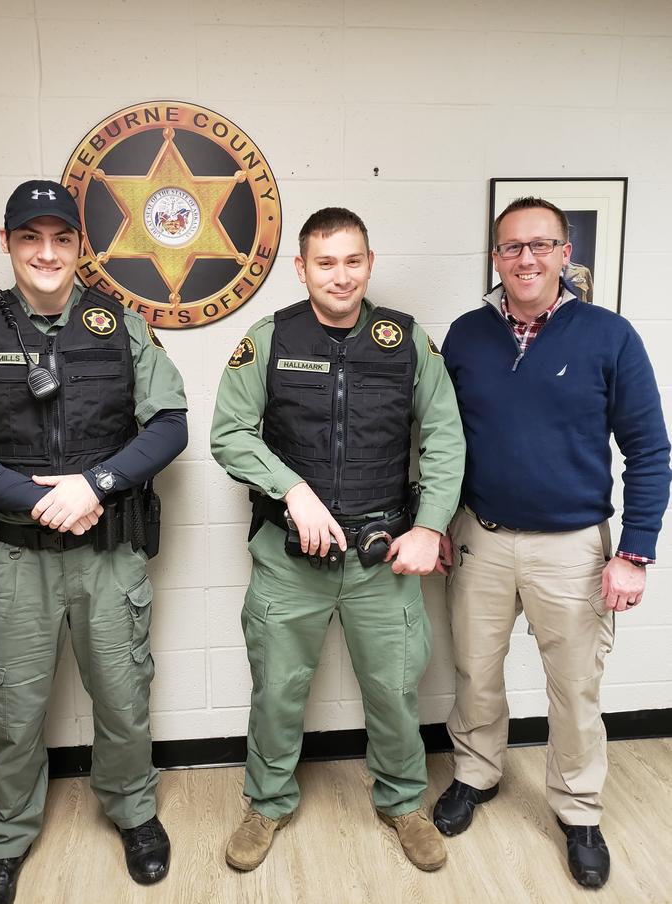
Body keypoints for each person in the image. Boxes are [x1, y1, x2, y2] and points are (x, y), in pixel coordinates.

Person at [0, 181, 189, 904]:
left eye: (61, 239)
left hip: (110, 551)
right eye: (30, 238)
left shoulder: (122, 326)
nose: (46, 253)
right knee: (10, 707)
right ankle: (5, 838)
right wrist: (44, 500)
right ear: (6, 243)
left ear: (80, 247)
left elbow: (170, 423)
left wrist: (94, 484)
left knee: (124, 692)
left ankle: (134, 812)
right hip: (13, 557)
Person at [210, 207, 465, 873]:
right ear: (302, 268)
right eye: (326, 262)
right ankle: (266, 803)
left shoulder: (406, 342)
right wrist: (293, 491)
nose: (341, 275)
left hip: (383, 556)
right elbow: (229, 433)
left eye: (354, 260)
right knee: (277, 688)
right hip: (290, 560)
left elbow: (445, 438)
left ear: (370, 264)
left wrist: (430, 526)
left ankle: (404, 800)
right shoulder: (268, 339)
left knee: (394, 687)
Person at [435, 196, 671, 890]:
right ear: (496, 257)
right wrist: (439, 522)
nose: (526, 258)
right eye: (512, 247)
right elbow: (443, 444)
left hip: (573, 548)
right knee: (476, 672)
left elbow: (649, 450)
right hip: (480, 537)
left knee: (574, 687)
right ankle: (476, 774)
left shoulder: (609, 335)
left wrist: (634, 551)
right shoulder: (466, 336)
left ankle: (577, 808)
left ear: (567, 255)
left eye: (541, 245)